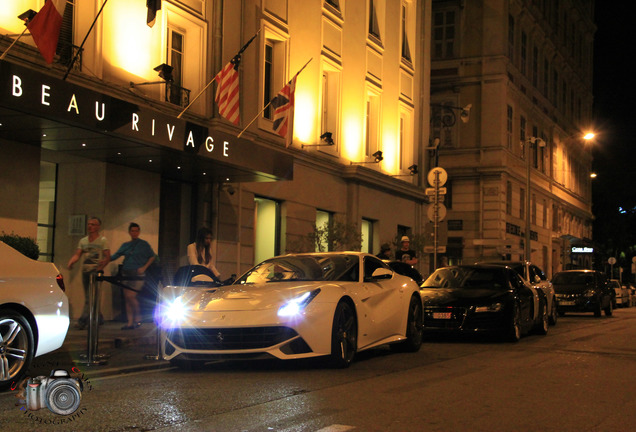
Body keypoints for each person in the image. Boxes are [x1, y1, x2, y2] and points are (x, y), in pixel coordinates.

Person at [108, 223, 156, 330]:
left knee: (131, 296)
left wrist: (144, 267)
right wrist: (105, 258)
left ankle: (138, 317)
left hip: (138, 273)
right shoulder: (126, 245)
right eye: (132, 231)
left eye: (136, 231)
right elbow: (115, 255)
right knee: (127, 297)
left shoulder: (144, 244)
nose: (134, 233)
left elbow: (152, 256)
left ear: (139, 232)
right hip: (126, 272)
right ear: (129, 232)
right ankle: (130, 322)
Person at [67, 217, 110, 330]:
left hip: (95, 271)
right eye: (89, 224)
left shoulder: (102, 240)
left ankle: (82, 321)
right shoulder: (83, 241)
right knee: (91, 296)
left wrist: (101, 266)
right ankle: (99, 318)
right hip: (85, 271)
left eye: (93, 224)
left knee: (89, 298)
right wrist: (72, 261)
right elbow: (78, 254)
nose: (90, 226)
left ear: (98, 227)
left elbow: (107, 256)